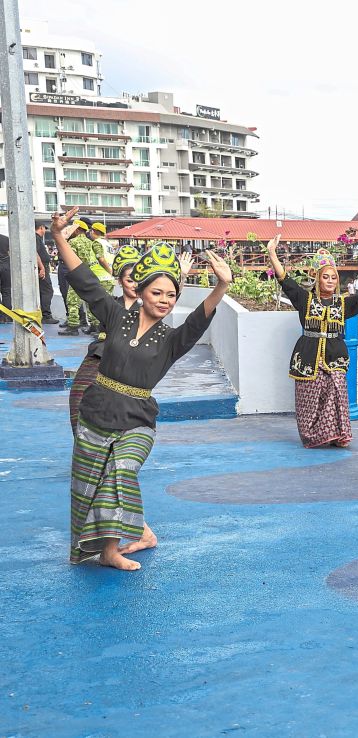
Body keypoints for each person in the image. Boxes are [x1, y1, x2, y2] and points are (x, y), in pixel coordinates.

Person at [51, 207, 233, 571]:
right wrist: (58, 237)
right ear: (143, 290)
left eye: (171, 294)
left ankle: (113, 549)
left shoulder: (172, 339)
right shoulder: (116, 315)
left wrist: (222, 285)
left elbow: (199, 319)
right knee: (88, 485)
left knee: (122, 470)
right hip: (97, 412)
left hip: (137, 420)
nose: (165, 300)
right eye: (158, 291)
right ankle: (103, 550)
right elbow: (84, 280)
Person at [266, 237, 358, 448]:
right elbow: (284, 279)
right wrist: (272, 253)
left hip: (335, 356)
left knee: (337, 389)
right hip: (308, 356)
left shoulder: (343, 303)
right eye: (326, 277)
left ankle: (339, 435)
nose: (330, 281)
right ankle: (313, 435)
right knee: (309, 399)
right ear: (318, 278)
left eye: (333, 278)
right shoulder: (304, 299)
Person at [67, 244, 149, 432]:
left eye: (140, 280)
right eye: (130, 280)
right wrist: (58, 236)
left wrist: (182, 278)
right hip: (95, 365)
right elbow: (84, 280)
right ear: (120, 281)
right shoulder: (110, 304)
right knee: (80, 419)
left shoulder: (148, 310)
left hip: (127, 374)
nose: (135, 285)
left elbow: (170, 298)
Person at [59, 218, 114, 336]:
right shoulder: (93, 242)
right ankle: (95, 326)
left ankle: (73, 326)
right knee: (92, 302)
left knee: (72, 300)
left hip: (78, 274)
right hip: (93, 275)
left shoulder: (73, 242)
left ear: (77, 229)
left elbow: (69, 258)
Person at [34, 222, 56, 323]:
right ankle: (46, 315)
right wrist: (42, 267)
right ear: (41, 227)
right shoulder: (36, 238)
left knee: (43, 291)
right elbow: (35, 253)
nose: (44, 231)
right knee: (47, 291)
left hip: (41, 266)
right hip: (41, 267)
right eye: (44, 229)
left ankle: (44, 313)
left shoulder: (36, 238)